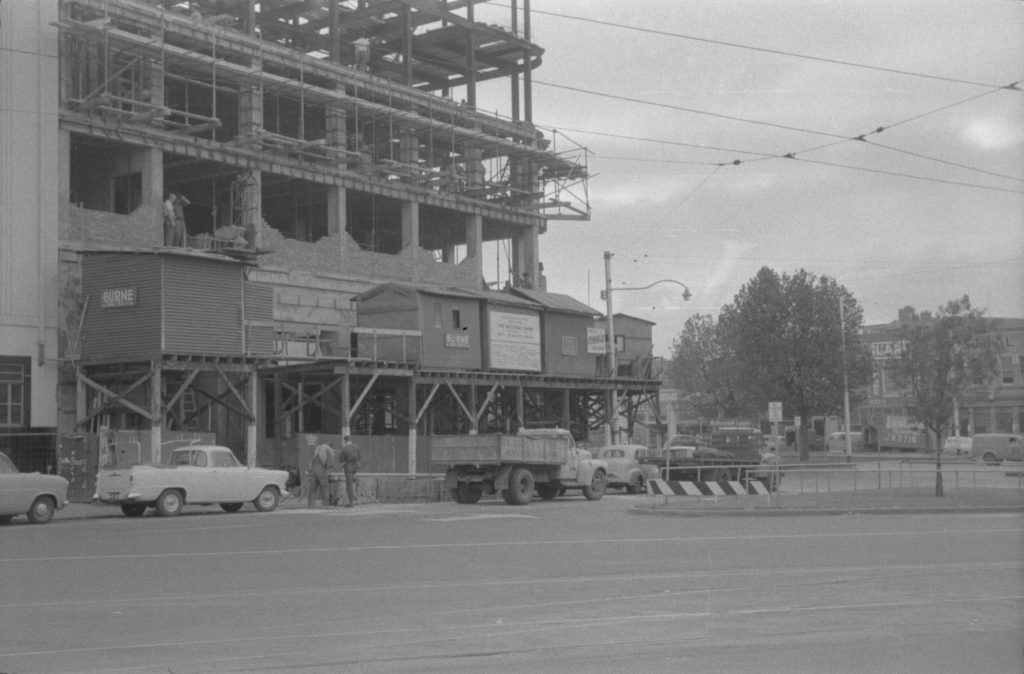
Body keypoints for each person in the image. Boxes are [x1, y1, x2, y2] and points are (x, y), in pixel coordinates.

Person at [307, 441, 334, 509]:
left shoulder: (318, 448)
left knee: (313, 488)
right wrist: (328, 471)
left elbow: (311, 461)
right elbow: (330, 463)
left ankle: (310, 505)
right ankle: (325, 505)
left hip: (313, 470)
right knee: (325, 487)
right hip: (321, 471)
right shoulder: (328, 449)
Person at [338, 435, 362, 507]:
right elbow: (359, 456)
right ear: (350, 440)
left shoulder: (344, 448)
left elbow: (341, 460)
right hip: (356, 466)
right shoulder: (356, 446)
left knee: (349, 485)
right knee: (355, 481)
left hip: (349, 468)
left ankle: (351, 502)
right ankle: (357, 496)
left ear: (345, 441)